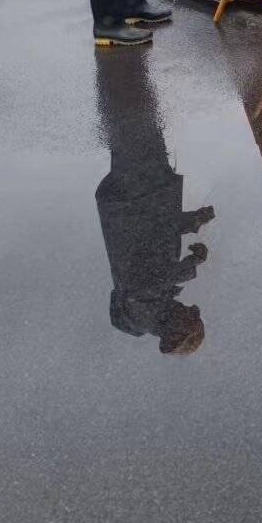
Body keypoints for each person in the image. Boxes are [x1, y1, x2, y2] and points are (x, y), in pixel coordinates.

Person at [94, 52, 214, 355]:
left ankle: (120, 67)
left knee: (132, 129)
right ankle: (127, 71)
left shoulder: (142, 314)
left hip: (134, 200)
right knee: (141, 126)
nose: (189, 308)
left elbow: (147, 282)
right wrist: (193, 221)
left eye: (190, 316)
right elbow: (160, 234)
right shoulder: (162, 302)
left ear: (177, 329)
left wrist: (190, 265)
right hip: (144, 199)